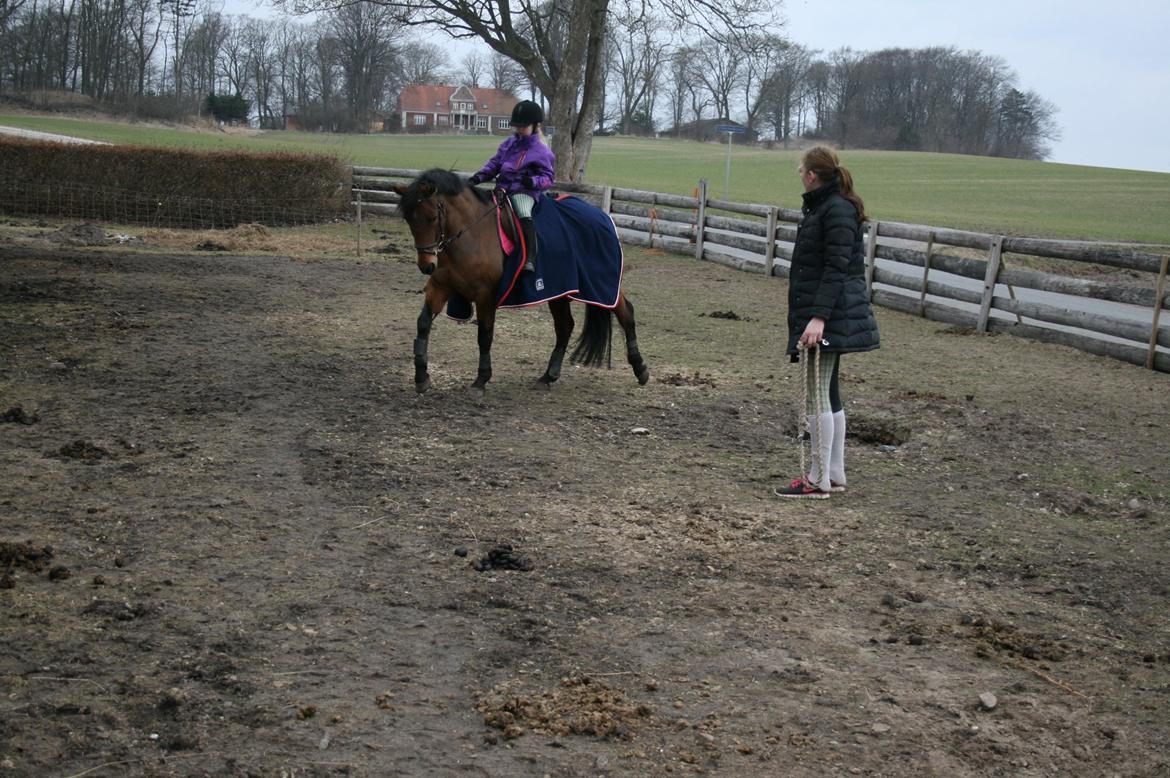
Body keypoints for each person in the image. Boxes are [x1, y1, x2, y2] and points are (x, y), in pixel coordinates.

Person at [775, 145, 880, 499]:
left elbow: (836, 269)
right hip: (830, 312)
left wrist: (818, 317)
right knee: (829, 392)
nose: (800, 177)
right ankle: (833, 474)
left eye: (801, 171)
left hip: (829, 315)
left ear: (811, 175)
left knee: (817, 393)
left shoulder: (835, 210)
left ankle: (817, 479)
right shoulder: (829, 207)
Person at [467, 100, 556, 273]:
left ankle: (531, 257)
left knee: (523, 213)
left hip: (524, 192)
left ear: (535, 125)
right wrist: (478, 178)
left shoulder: (542, 151)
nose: (519, 130)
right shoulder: (509, 144)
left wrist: (532, 182)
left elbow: (548, 178)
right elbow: (494, 165)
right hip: (502, 190)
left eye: (523, 126)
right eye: (517, 126)